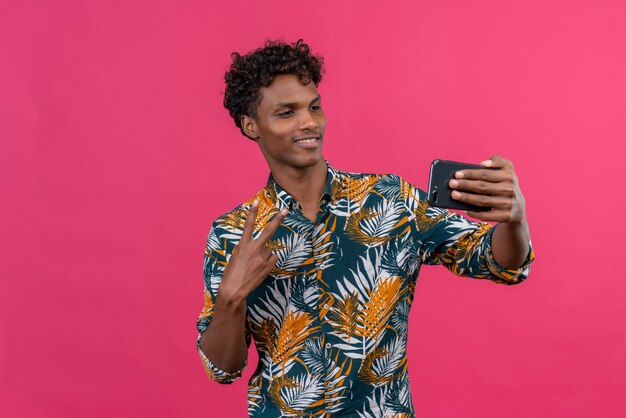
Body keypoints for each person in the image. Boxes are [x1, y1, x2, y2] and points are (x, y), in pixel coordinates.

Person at [196, 39, 534, 417]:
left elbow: (497, 261)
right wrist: (229, 301)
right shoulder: (232, 232)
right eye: (286, 112)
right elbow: (223, 369)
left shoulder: (392, 201)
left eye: (314, 107)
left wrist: (514, 218)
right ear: (251, 125)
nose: (309, 122)